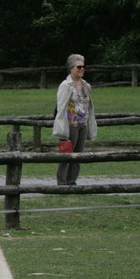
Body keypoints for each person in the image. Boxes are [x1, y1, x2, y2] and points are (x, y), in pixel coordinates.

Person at [53, 53, 97, 185]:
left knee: (78, 155)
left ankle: (72, 181)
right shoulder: (66, 85)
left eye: (83, 66)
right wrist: (62, 125)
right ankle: (62, 182)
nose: (82, 69)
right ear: (71, 68)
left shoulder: (85, 85)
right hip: (70, 124)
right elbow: (61, 107)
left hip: (83, 124)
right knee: (67, 154)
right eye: (79, 67)